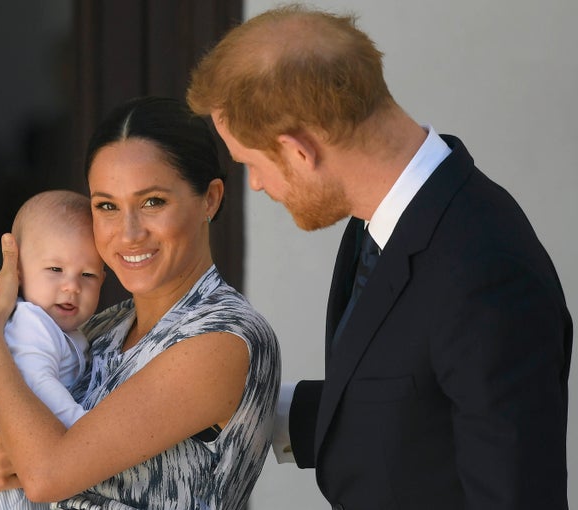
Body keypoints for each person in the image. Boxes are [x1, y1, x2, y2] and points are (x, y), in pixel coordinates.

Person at [186, 4, 572, 510]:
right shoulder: (383, 218)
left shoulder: (485, 270)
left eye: (252, 165)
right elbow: (407, 404)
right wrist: (236, 403)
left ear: (299, 151)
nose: (256, 185)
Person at [0, 96, 281, 510]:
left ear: (210, 198)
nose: (129, 233)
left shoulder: (222, 338)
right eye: (107, 206)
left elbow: (45, 477)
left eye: (153, 201)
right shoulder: (95, 331)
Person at [0, 189, 105, 509]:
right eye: (55, 270)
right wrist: (85, 432)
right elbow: (39, 384)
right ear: (17, 274)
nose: (71, 286)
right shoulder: (31, 324)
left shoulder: (68, 331)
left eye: (87, 275)